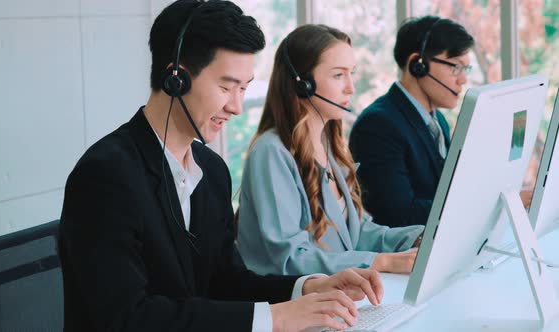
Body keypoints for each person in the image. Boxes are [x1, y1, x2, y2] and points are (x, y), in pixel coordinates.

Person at [59, 1, 384, 332]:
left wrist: (306, 289)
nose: (237, 107)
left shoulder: (211, 171)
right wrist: (278, 318)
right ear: (176, 79)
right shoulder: (106, 175)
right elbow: (128, 317)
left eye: (244, 88)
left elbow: (226, 282)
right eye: (226, 87)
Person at [236, 24, 424, 277]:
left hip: (340, 297)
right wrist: (382, 263)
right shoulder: (271, 153)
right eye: (338, 75)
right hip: (296, 306)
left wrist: (418, 237)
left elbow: (357, 234)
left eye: (351, 74)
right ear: (303, 84)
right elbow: (290, 259)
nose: (350, 88)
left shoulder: (330, 146)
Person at [348, 16, 474, 228]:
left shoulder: (438, 121)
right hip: (407, 255)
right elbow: (398, 215)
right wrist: (475, 205)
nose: (462, 80)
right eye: (455, 67)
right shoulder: (377, 125)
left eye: (466, 69)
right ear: (418, 64)